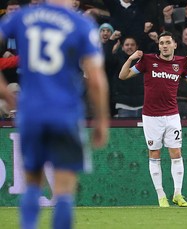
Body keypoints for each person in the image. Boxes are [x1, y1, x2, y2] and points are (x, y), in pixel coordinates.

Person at [0, 0, 110, 228]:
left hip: (31, 113)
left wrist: (8, 96)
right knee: (63, 188)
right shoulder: (81, 23)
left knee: (32, 183)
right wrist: (101, 120)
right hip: (65, 113)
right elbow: (96, 80)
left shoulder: (21, 17)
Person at [119, 31, 187, 207]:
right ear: (159, 46)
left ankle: (178, 194)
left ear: (174, 45)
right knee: (155, 154)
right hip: (151, 116)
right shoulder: (147, 60)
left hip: (172, 115)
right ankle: (161, 195)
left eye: (167, 42)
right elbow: (123, 76)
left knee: (176, 153)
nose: (164, 45)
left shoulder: (180, 63)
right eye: (161, 43)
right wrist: (131, 58)